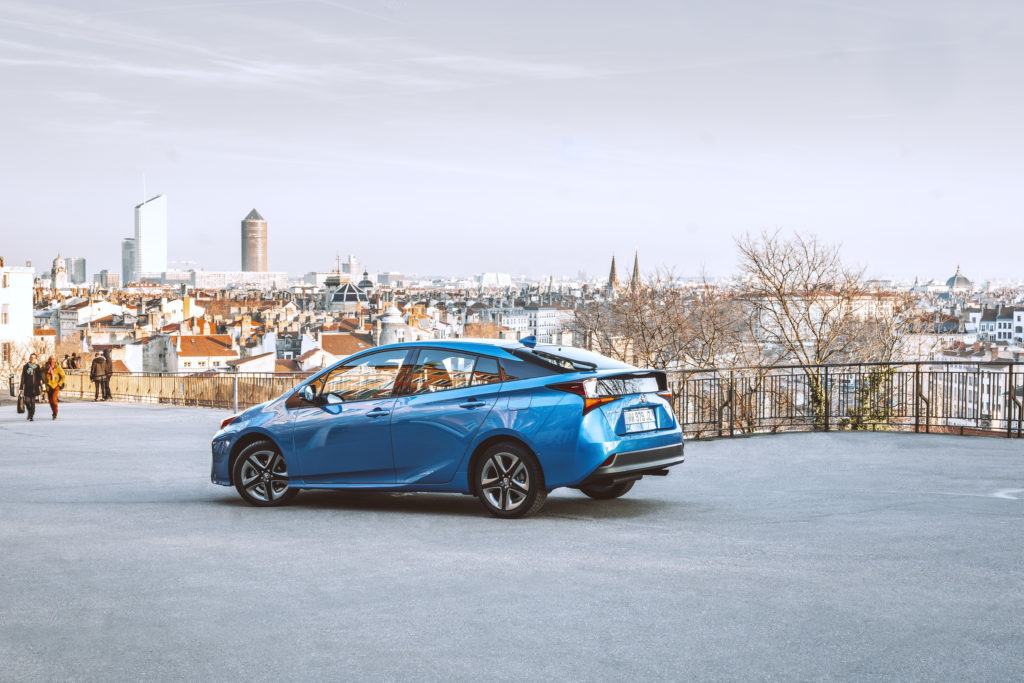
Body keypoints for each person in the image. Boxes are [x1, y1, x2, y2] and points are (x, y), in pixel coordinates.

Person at [19, 353, 44, 422]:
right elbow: (23, 377)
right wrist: (21, 387)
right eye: (31, 357)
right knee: (27, 401)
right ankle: (30, 412)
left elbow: (40, 377)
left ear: (35, 359)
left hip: (34, 387)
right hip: (27, 386)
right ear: (29, 358)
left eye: (34, 358)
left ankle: (31, 416)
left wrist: (39, 384)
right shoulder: (26, 366)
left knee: (33, 402)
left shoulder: (37, 367)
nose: (32, 359)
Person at [44, 356, 65, 420]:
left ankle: (55, 413)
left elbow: (63, 376)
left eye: (53, 360)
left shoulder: (57, 367)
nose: (51, 361)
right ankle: (53, 411)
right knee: (50, 401)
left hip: (56, 385)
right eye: (50, 359)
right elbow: (40, 370)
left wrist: (59, 384)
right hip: (48, 385)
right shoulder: (45, 367)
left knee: (54, 399)